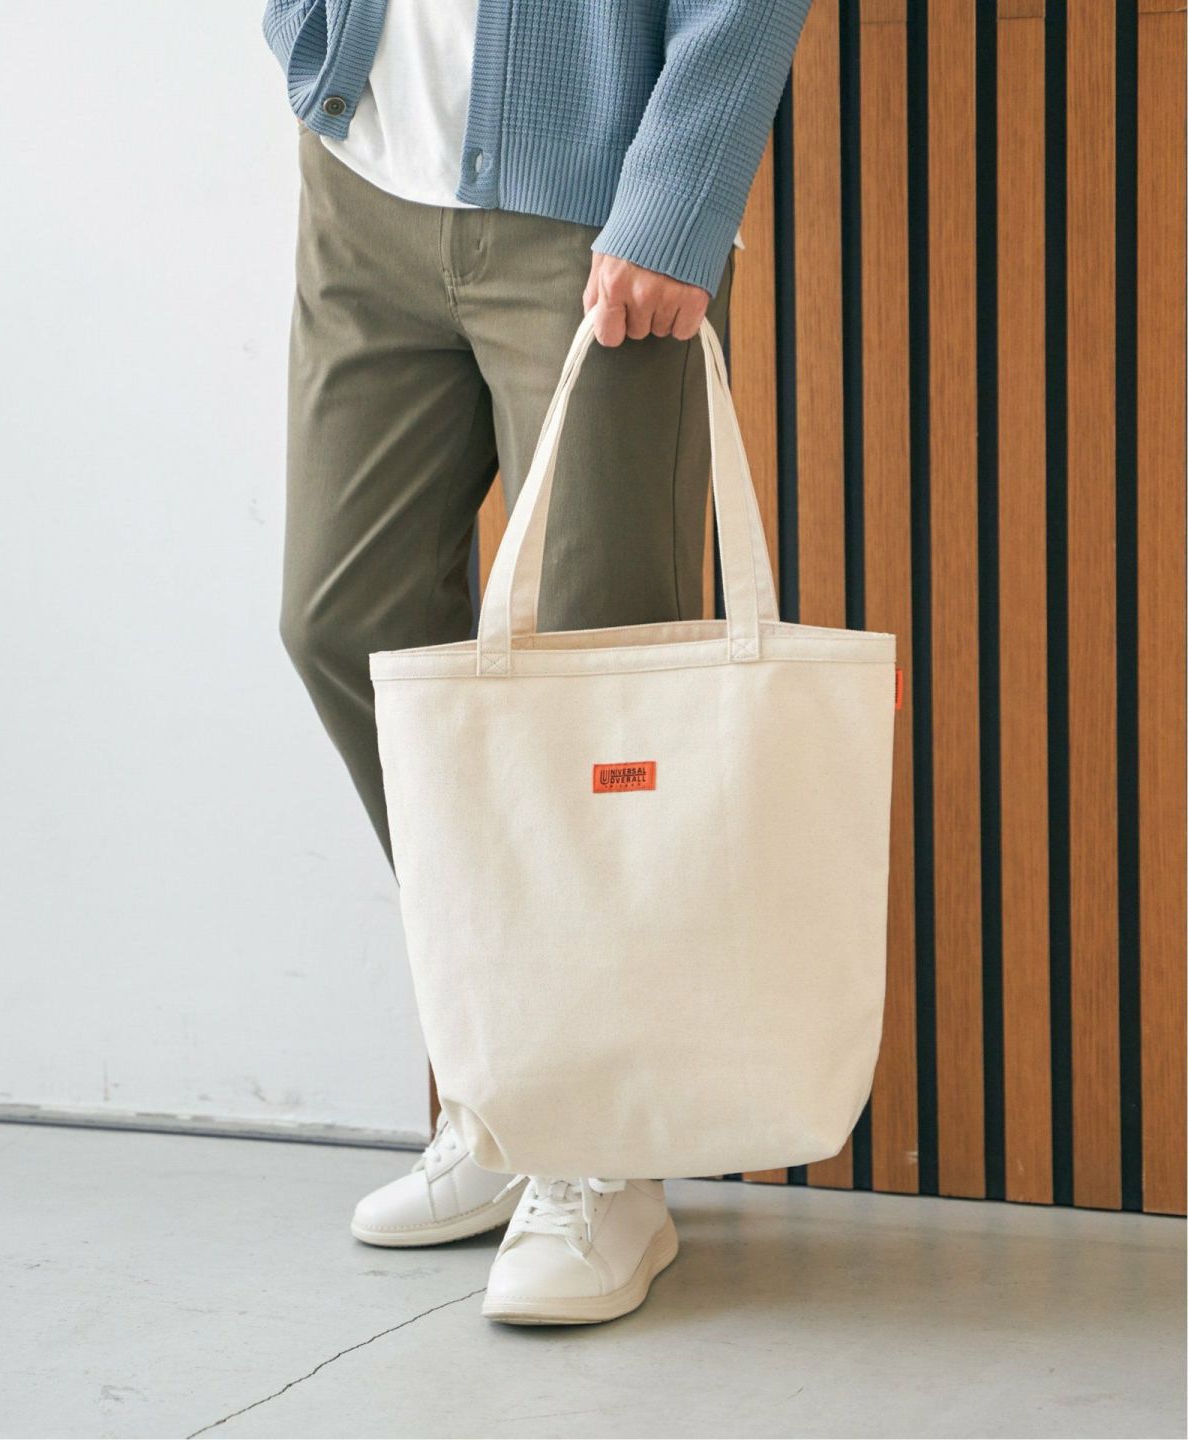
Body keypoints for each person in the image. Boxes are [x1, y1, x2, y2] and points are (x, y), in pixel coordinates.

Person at [262, 0, 812, 1326]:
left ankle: (606, 1154)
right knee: (344, 621)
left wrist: (675, 202)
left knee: (596, 676)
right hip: (366, 172)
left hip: (593, 204)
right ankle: (517, 1086)